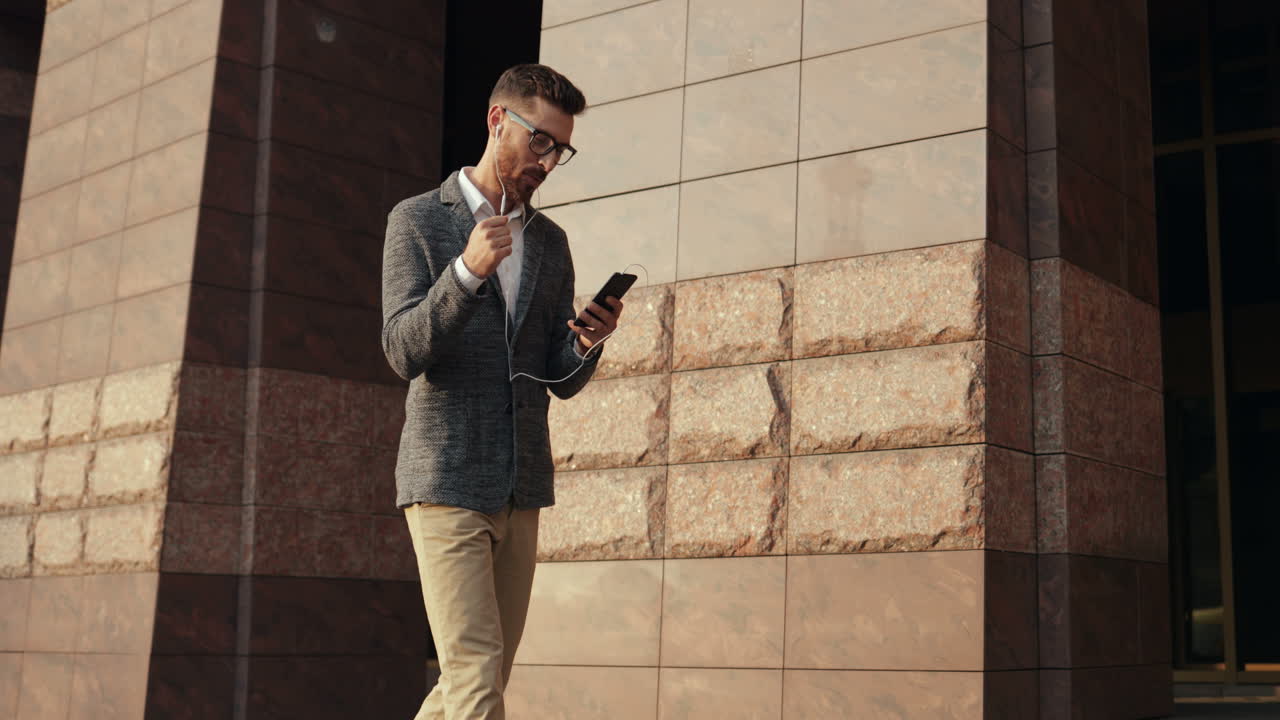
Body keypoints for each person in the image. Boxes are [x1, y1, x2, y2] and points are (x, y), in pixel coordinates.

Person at [380, 64, 623, 720]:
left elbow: (556, 379)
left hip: (520, 488)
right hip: (447, 480)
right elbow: (403, 350)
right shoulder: (418, 222)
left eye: (560, 150)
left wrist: (584, 344)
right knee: (478, 674)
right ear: (497, 121)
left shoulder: (549, 242)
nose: (548, 161)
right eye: (540, 141)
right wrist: (464, 272)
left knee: (471, 684)